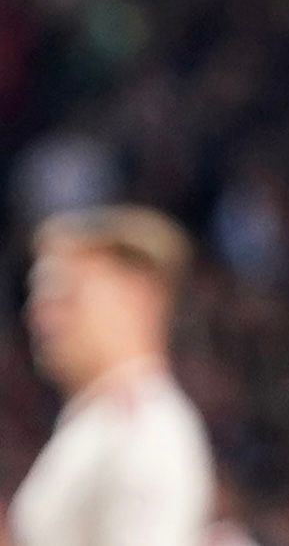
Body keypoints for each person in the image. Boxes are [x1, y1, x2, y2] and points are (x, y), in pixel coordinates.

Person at [10, 206, 214, 546]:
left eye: (65, 295)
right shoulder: (98, 422)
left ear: (135, 297)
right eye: (37, 299)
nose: (39, 315)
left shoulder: (144, 428)